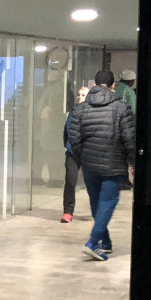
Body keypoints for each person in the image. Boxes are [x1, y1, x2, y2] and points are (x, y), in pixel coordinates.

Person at [66, 69, 136, 261]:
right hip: (113, 164)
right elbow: (129, 138)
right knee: (108, 201)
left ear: (94, 85)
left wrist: (83, 155)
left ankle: (105, 242)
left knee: (96, 202)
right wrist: (132, 162)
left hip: (89, 164)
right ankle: (93, 242)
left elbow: (74, 137)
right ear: (113, 85)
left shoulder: (80, 109)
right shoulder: (122, 108)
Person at [60, 85, 88, 223]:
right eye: (78, 94)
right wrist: (67, 145)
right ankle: (68, 211)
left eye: (83, 95)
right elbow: (67, 129)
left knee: (94, 183)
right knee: (70, 181)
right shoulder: (73, 111)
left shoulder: (92, 113)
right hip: (72, 152)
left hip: (88, 153)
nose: (79, 97)